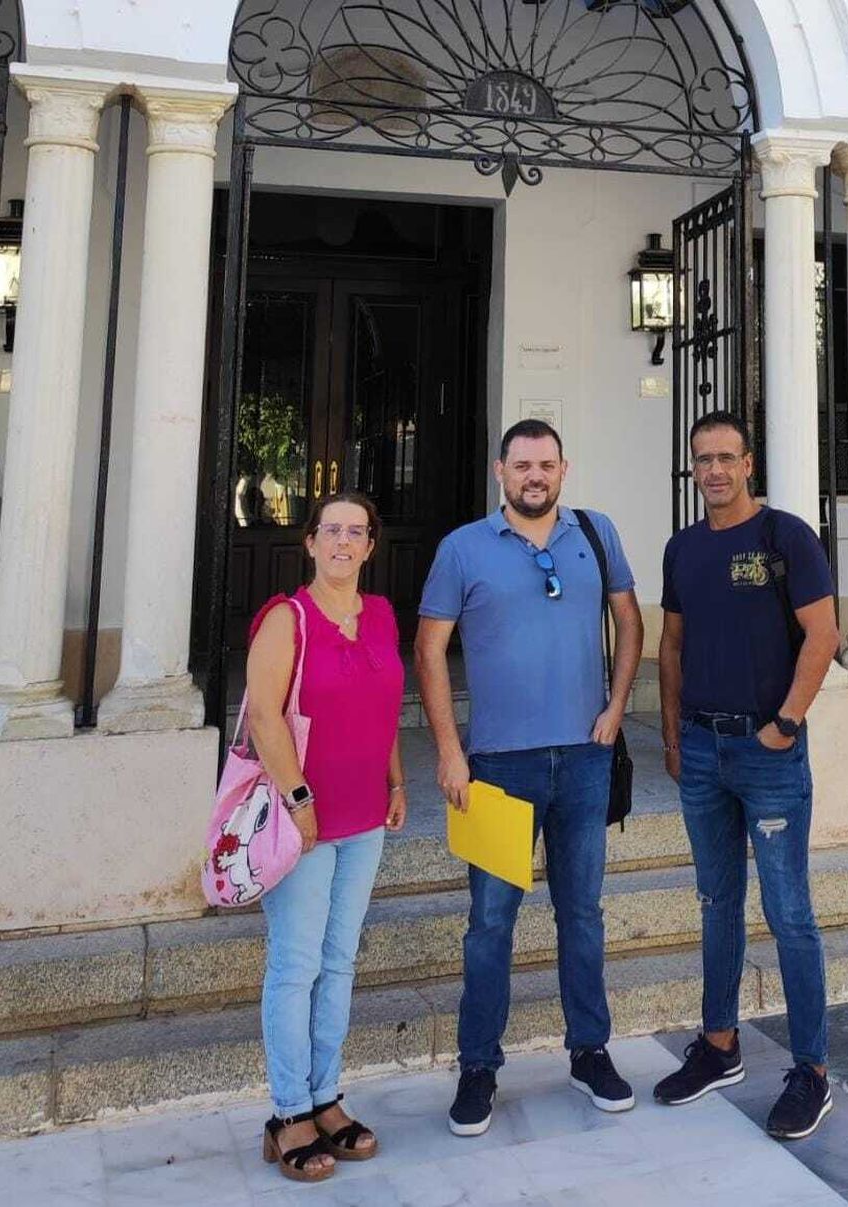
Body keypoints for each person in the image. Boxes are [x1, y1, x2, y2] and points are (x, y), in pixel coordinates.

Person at [416, 418, 644, 1137]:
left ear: (563, 468)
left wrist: (616, 707)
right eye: (522, 465)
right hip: (497, 768)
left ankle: (590, 1050)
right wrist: (449, 751)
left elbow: (631, 623)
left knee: (583, 914)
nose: (534, 475)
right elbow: (428, 651)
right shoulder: (463, 548)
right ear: (500, 471)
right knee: (490, 923)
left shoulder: (597, 532)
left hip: (583, 760)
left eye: (546, 463)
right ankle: (478, 1065)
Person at [652, 411, 842, 1140]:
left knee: (789, 912)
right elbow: (671, 645)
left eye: (726, 457)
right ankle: (720, 1043)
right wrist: (673, 736)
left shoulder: (786, 537)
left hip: (768, 755)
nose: (714, 471)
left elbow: (822, 635)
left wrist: (785, 723)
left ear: (749, 463)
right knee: (716, 901)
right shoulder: (683, 548)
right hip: (702, 751)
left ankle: (812, 1070)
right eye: (703, 459)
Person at [246, 492, 407, 1184]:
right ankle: (287, 1112)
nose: (344, 541)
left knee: (339, 961)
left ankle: (325, 1095)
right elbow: (264, 718)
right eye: (331, 530)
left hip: (366, 818)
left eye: (357, 532)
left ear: (371, 546)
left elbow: (386, 705)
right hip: (304, 823)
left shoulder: (381, 614)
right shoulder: (288, 618)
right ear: (310, 542)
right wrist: (300, 799)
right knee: (296, 965)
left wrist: (397, 781)